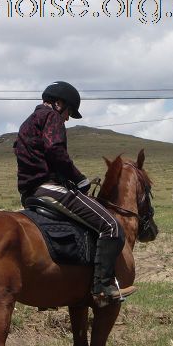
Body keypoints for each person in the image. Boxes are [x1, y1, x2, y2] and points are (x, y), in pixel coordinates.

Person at [14, 81, 135, 306]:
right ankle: (102, 287)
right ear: (59, 104)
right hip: (48, 189)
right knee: (110, 226)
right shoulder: (51, 118)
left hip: (30, 192)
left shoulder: (26, 123)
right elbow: (54, 150)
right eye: (69, 112)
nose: (67, 118)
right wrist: (79, 178)